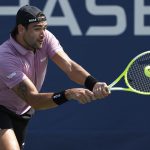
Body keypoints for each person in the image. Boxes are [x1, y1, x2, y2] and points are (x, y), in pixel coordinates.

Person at [0, 5, 110, 150]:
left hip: (23, 112)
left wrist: (93, 84)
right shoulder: (5, 57)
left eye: (44, 28)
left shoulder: (45, 38)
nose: (42, 33)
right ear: (21, 29)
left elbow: (69, 66)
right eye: (37, 28)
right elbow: (33, 99)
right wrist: (69, 94)